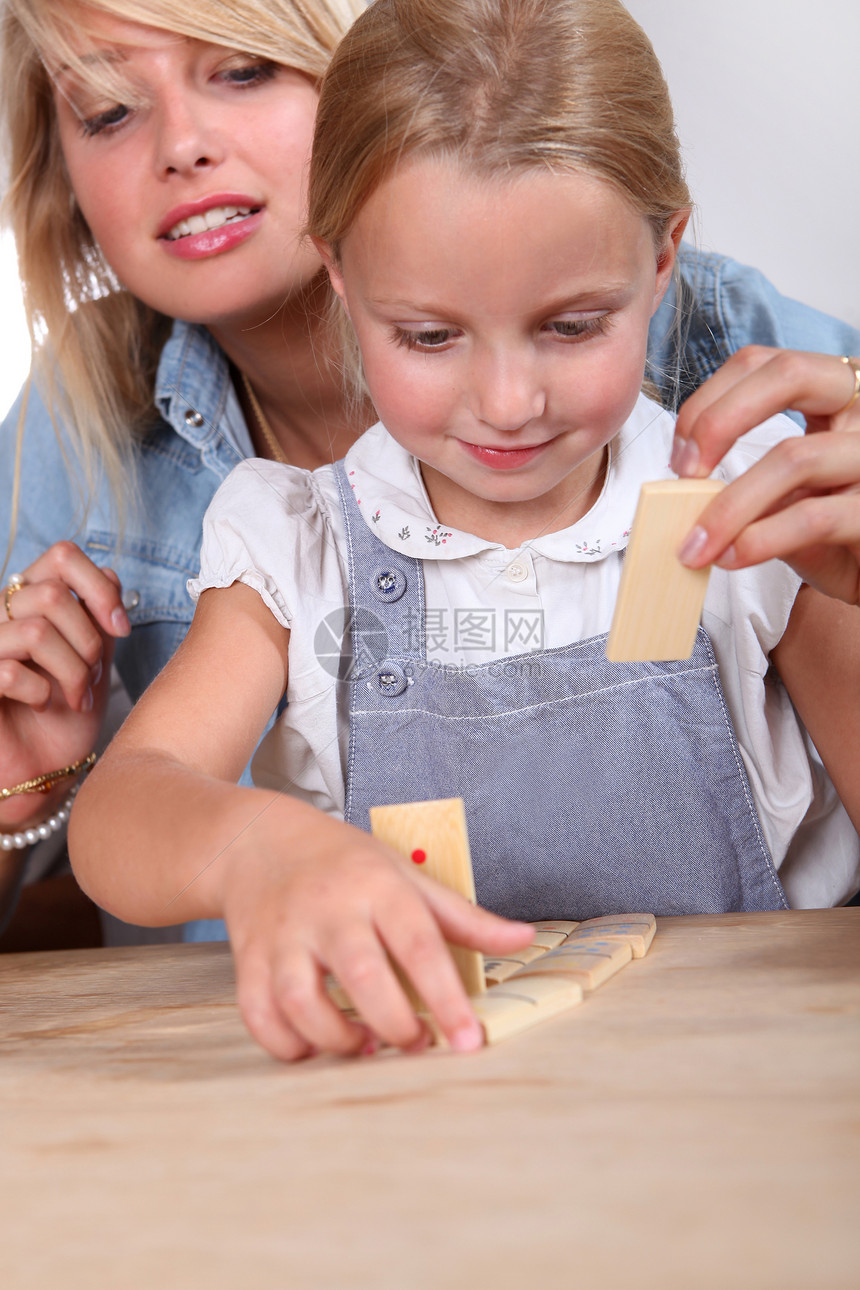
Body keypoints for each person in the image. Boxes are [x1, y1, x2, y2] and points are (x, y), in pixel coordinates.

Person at [70, 0, 860, 1062]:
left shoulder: (756, 517)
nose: (505, 401)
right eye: (429, 336)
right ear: (342, 277)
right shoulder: (296, 546)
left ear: (664, 255)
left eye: (570, 327)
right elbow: (121, 813)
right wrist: (249, 847)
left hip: (742, 1089)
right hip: (428, 1114)